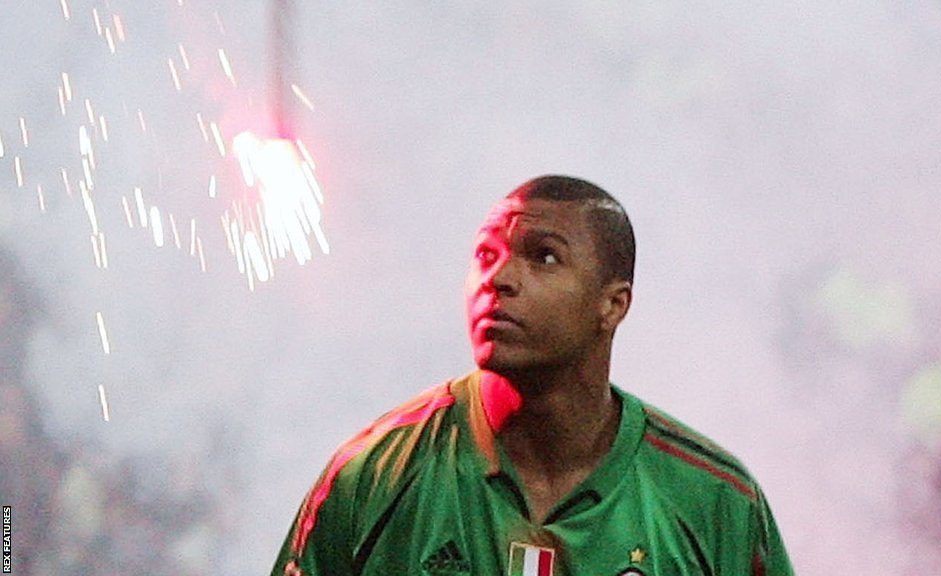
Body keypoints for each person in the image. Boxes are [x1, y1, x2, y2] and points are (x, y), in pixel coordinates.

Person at [269, 175, 793, 576]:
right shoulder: (374, 476)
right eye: (486, 254)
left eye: (544, 257)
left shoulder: (714, 501)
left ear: (612, 305)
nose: (499, 278)